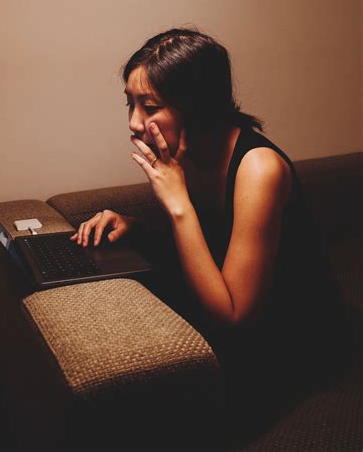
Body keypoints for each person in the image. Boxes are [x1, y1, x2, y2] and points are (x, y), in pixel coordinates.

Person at [71, 27, 349, 435]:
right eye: (130, 104)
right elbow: (212, 242)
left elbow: (233, 317)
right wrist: (135, 227)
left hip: (297, 340)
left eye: (150, 107)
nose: (134, 123)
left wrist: (178, 204)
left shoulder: (259, 168)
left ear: (195, 107)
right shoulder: (185, 153)